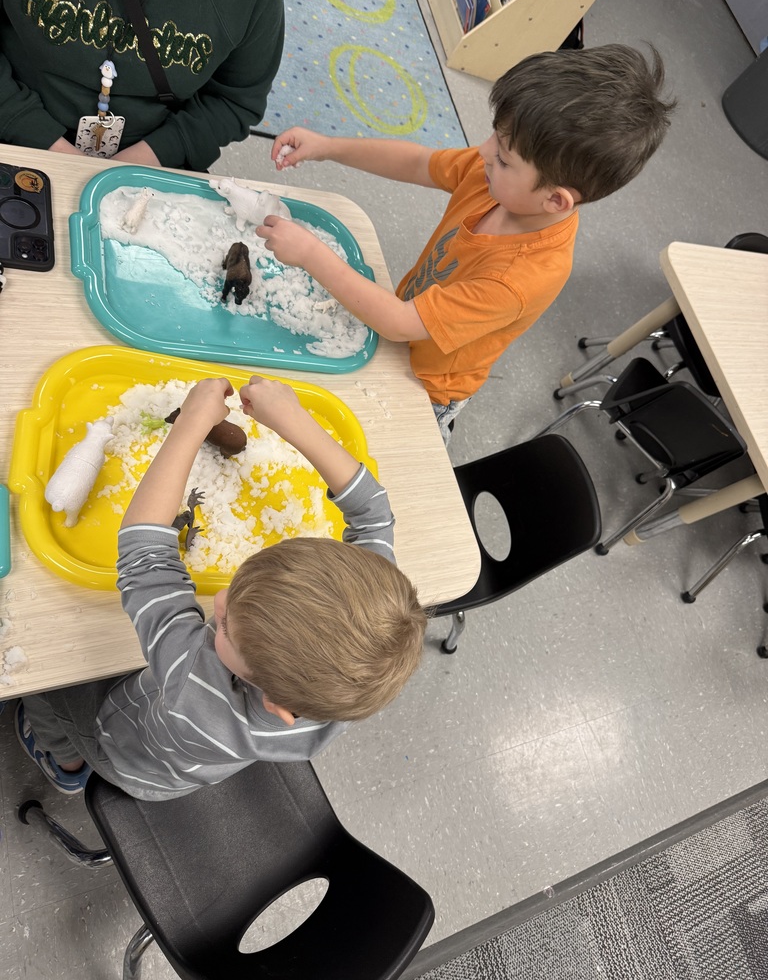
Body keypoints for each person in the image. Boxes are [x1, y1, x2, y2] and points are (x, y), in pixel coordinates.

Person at [15, 375, 426, 799]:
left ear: (274, 703)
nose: (220, 600)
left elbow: (143, 555)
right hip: (195, 762)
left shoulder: (194, 682)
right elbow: (373, 513)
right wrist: (293, 418)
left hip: (124, 753)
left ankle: (67, 764)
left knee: (45, 689)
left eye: (226, 625)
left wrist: (190, 423)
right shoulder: (366, 632)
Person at [259, 44, 677, 442]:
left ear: (555, 199)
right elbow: (418, 162)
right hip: (399, 325)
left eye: (504, 156)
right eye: (495, 137)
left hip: (424, 387)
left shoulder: (523, 277)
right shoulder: (496, 176)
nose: (484, 151)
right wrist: (329, 147)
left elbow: (401, 323)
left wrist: (312, 254)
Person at [0, 0, 284, 171]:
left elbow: (237, 98)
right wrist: (36, 135)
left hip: (153, 163)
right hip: (12, 134)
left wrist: (146, 159)